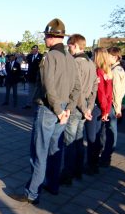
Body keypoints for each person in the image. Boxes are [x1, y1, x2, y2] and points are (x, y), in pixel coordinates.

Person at [9, 18, 78, 204]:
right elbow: (77, 88)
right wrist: (68, 110)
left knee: (39, 152)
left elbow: (48, 86)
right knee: (55, 149)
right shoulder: (71, 59)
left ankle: (32, 193)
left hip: (49, 108)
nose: (45, 40)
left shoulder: (49, 57)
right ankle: (52, 184)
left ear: (51, 37)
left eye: (46, 36)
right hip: (63, 110)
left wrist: (57, 110)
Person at [60, 34, 96, 184]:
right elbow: (95, 87)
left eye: (69, 46)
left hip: (75, 106)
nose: (68, 49)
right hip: (85, 105)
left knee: (69, 141)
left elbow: (77, 89)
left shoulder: (75, 63)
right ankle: (78, 171)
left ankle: (67, 174)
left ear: (74, 45)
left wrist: (83, 108)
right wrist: (89, 107)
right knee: (79, 140)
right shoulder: (90, 62)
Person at [87, 48, 114, 174]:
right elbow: (109, 95)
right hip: (103, 108)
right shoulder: (107, 72)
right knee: (97, 137)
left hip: (96, 107)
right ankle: (94, 164)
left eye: (93, 55)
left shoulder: (98, 71)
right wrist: (107, 110)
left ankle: (91, 166)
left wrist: (104, 110)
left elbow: (102, 94)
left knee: (92, 138)